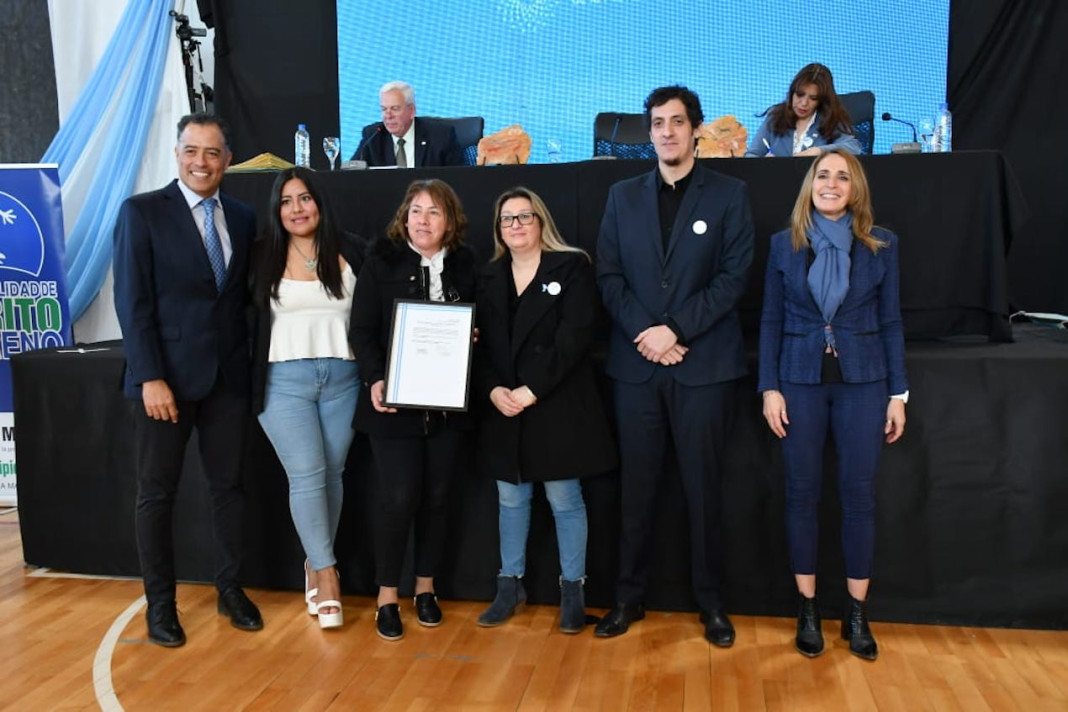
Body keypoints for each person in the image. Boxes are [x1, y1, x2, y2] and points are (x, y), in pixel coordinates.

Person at [594, 86, 754, 646]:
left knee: (703, 491)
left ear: (696, 129)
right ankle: (627, 599)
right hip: (637, 369)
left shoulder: (730, 194)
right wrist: (648, 334)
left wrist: (676, 331)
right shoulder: (621, 196)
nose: (666, 132)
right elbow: (609, 278)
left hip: (703, 368)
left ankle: (712, 605)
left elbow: (733, 278)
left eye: (677, 122)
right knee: (635, 491)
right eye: (658, 123)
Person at [113, 112, 262, 647]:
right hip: (165, 384)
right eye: (192, 151)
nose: (202, 162)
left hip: (227, 379)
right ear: (177, 154)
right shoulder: (142, 212)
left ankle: (230, 590)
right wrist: (150, 376)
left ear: (227, 159)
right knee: (156, 495)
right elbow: (131, 304)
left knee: (230, 490)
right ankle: (161, 606)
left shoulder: (242, 217)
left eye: (213, 152)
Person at [758, 148, 908, 660]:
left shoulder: (881, 244)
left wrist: (898, 393)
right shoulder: (784, 245)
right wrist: (769, 387)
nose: (831, 183)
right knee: (801, 494)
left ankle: (856, 614)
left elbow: (891, 322)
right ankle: (807, 609)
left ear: (855, 188)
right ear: (810, 185)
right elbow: (770, 322)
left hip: (864, 382)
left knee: (858, 496)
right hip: (798, 380)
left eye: (842, 177)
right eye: (823, 175)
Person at [474, 187, 618, 633]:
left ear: (541, 222)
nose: (516, 225)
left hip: (556, 402)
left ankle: (572, 591)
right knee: (511, 499)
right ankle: (508, 584)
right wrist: (495, 389)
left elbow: (575, 336)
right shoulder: (488, 275)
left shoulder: (571, 266)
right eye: (507, 219)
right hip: (505, 406)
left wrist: (532, 389)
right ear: (499, 230)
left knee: (563, 499)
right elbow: (477, 345)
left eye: (524, 216)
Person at [349, 179, 478, 641]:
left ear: (450, 221)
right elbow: (361, 331)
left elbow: (478, 322)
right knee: (398, 498)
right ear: (404, 217)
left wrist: (472, 336)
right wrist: (375, 378)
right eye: (416, 211)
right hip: (394, 408)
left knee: (438, 497)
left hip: (448, 407)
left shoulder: (466, 264)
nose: (423, 220)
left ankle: (426, 589)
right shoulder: (380, 261)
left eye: (434, 212)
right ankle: (387, 596)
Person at [250, 167, 363, 630]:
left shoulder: (353, 249)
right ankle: (328, 574)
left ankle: (314, 565)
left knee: (332, 475)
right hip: (283, 382)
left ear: (319, 201)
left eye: (305, 198)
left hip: (345, 378)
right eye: (286, 202)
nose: (297, 209)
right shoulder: (258, 256)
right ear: (277, 211)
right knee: (308, 476)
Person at [745, 63, 862, 157]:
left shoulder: (831, 119)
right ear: (792, 93)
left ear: (821, 100)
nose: (804, 103)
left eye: (813, 98)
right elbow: (752, 154)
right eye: (800, 95)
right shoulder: (775, 115)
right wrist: (763, 164)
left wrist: (818, 151)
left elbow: (853, 147)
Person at [350, 81, 463, 167]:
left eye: (395, 109)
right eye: (384, 109)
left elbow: (458, 180)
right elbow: (351, 173)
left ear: (412, 111)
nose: (388, 116)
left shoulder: (441, 136)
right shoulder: (373, 135)